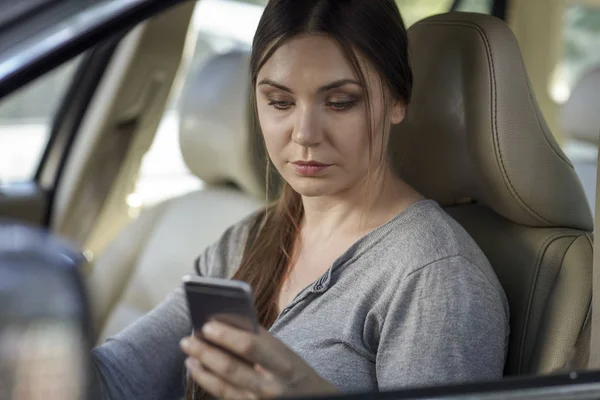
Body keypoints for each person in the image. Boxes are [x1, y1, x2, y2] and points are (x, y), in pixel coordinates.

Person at [91, 0, 510, 399]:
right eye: (280, 102)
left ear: (398, 100)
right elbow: (118, 378)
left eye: (341, 102)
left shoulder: (436, 275)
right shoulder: (247, 240)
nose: (305, 133)